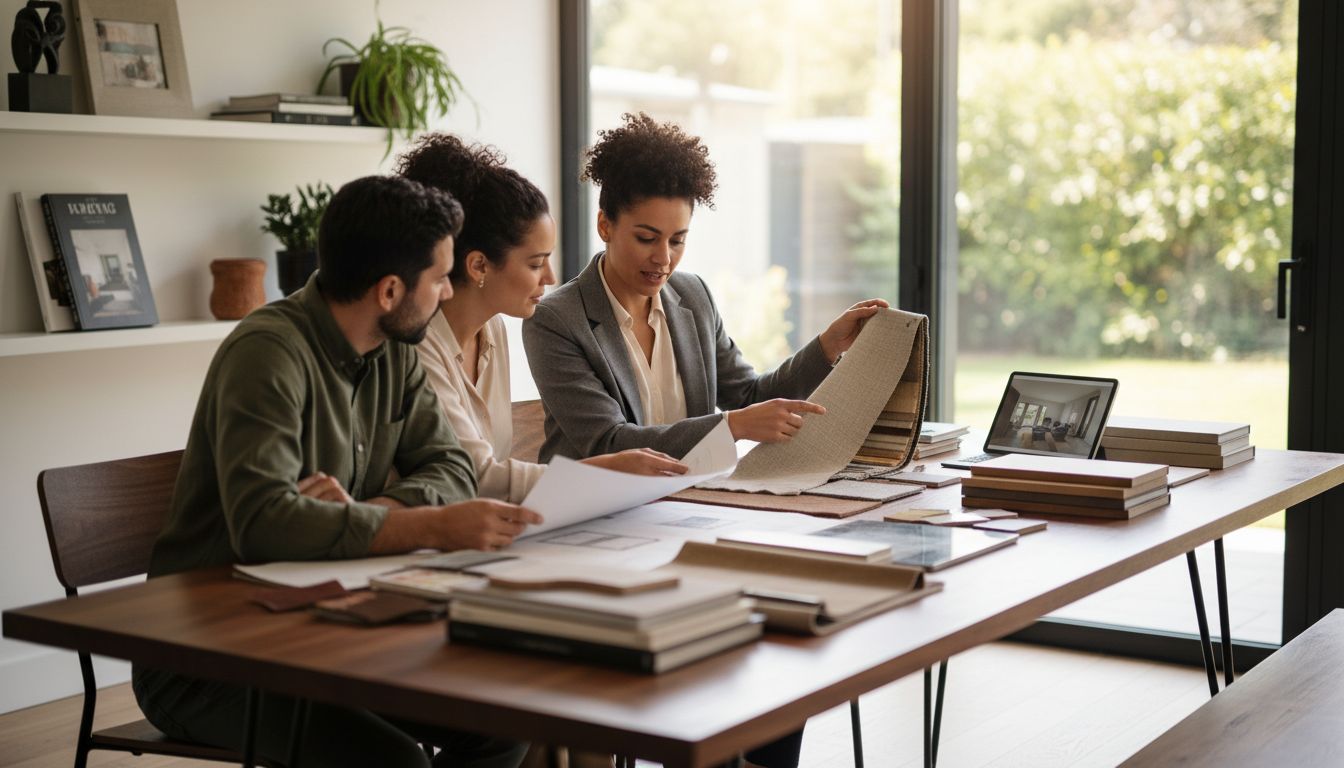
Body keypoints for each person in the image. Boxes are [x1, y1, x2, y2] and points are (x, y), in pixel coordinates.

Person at [521, 112, 888, 768]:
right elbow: (606, 438)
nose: (663, 259)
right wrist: (729, 429)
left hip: (688, 524)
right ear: (605, 225)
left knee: (783, 652)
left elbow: (745, 393)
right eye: (645, 237)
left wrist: (826, 348)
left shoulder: (691, 297)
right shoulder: (557, 320)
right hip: (594, 538)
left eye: (679, 240)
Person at [133, 176, 538, 768]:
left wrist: (358, 515)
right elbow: (264, 526)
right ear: (390, 290)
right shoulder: (267, 354)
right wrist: (428, 526)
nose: (449, 294)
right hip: (209, 657)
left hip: (335, 625)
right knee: (394, 762)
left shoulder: (397, 348)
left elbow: (450, 465)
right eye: (439, 279)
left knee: (502, 725)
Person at [396, 133, 687, 505]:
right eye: (535, 263)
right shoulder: (417, 347)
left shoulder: (493, 330)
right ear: (479, 265)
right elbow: (477, 477)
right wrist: (605, 473)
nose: (550, 278)